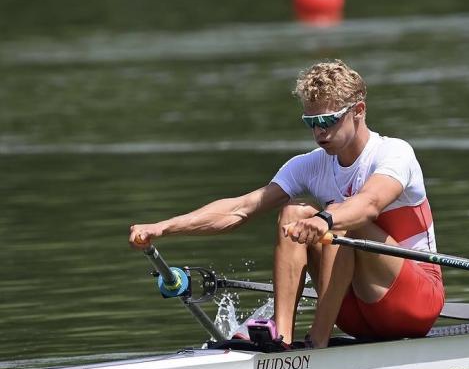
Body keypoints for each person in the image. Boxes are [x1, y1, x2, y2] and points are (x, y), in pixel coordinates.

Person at [129, 59, 444, 348]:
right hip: (354, 313)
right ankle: (283, 340)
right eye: (311, 122)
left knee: (344, 219)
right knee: (292, 212)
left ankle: (318, 340)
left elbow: (370, 204)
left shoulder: (394, 154)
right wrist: (164, 226)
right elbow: (240, 208)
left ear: (358, 110)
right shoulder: (309, 165)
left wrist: (325, 220)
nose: (319, 132)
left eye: (328, 120)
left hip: (414, 302)